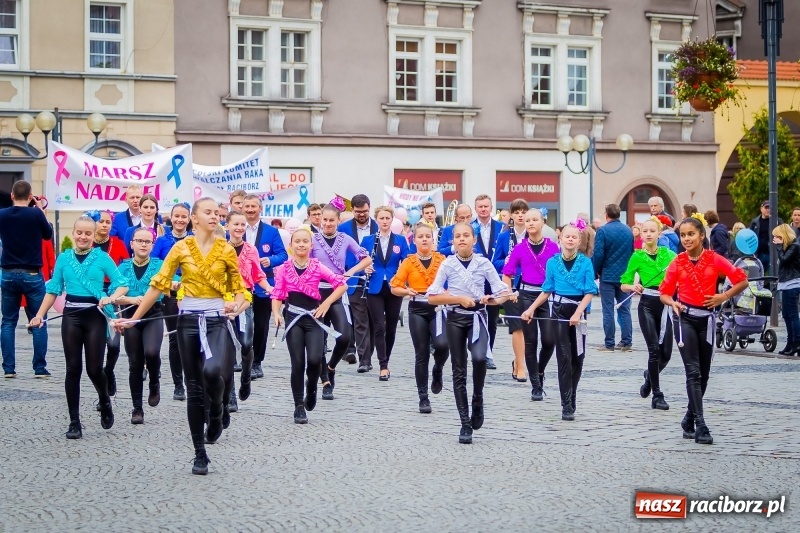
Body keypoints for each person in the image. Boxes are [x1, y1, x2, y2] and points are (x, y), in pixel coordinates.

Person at [115, 197, 248, 475]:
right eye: (207, 212)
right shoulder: (180, 248)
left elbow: (238, 287)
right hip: (187, 320)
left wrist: (234, 304)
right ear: (194, 218)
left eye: (216, 213)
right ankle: (200, 453)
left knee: (214, 373)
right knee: (194, 388)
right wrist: (134, 318)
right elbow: (158, 285)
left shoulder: (225, 249)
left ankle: (217, 412)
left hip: (215, 320)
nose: (214, 217)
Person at [30, 216, 129, 438]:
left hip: (94, 315)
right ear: (73, 234)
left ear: (94, 236)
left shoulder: (102, 258)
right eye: (79, 233)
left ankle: (104, 400)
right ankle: (74, 422)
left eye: (88, 233)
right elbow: (54, 288)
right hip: (71, 317)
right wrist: (39, 315)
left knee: (94, 370)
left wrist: (110, 297)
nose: (83, 237)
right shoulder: (63, 259)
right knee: (73, 369)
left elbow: (122, 284)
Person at [659, 216, 748, 445]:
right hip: (685, 318)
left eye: (691, 234)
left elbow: (741, 280)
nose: (687, 239)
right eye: (683, 235)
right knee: (694, 372)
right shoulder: (677, 262)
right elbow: (664, 292)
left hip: (707, 320)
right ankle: (701, 424)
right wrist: (672, 303)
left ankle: (688, 418)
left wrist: (723, 296)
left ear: (701, 236)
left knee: (705, 374)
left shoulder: (714, 259)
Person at [428, 223, 509, 444]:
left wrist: (493, 299)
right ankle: (464, 422)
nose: (462, 239)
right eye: (457, 236)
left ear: (474, 240)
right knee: (459, 370)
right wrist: (457, 299)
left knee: (480, 358)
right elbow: (432, 297)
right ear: (452, 241)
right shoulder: (447, 264)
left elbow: (502, 292)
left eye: (466, 235)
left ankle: (478, 398)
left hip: (478, 318)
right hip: (455, 318)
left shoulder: (484, 263)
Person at [271, 226, 347, 423]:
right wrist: (276, 313)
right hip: (293, 319)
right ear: (291, 245)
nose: (301, 244)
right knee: (298, 363)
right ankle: (298, 405)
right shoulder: (283, 269)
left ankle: (312, 387)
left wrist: (327, 303)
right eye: (297, 241)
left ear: (311, 245)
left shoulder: (317, 266)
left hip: (314, 319)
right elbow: (278, 294)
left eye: (305, 241)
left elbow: (341, 284)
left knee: (314, 360)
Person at [522, 221, 596, 421]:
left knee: (577, 358)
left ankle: (573, 395)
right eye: (567, 236)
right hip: (559, 312)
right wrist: (530, 309)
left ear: (579, 241)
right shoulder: (553, 262)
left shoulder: (586, 262)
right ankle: (566, 403)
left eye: (574, 237)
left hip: (578, 312)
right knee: (563, 356)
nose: (570, 239)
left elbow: (590, 292)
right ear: (560, 239)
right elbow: (547, 290)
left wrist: (578, 313)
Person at [311, 204, 372, 395]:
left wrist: (351, 272)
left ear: (338, 221)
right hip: (316, 294)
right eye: (325, 220)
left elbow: (366, 258)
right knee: (319, 340)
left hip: (337, 292)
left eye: (332, 220)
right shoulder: (312, 240)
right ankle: (324, 381)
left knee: (344, 336)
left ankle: (330, 367)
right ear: (320, 220)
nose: (328, 223)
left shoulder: (345, 239)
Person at [391, 222, 449, 414]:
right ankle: (423, 397)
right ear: (414, 239)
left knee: (442, 345)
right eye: (420, 236)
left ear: (433, 240)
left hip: (438, 307)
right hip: (417, 307)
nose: (424, 239)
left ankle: (438, 368)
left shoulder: (443, 260)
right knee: (421, 353)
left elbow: (453, 281)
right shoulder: (408, 262)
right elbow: (395, 287)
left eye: (428, 236)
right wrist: (406, 290)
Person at [502, 208, 559, 401]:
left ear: (543, 222)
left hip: (547, 295)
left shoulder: (552, 247)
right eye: (528, 221)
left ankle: (540, 371)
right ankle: (535, 384)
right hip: (526, 295)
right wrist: (509, 293)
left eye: (535, 220)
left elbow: (559, 271)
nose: (531, 223)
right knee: (531, 341)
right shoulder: (519, 248)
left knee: (550, 340)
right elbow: (507, 272)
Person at [620, 218, 676, 410]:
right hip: (647, 306)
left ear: (660, 234)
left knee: (666, 354)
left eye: (653, 231)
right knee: (653, 350)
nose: (649, 234)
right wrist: (633, 286)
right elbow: (624, 283)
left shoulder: (669, 255)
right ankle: (657, 395)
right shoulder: (636, 257)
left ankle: (649, 378)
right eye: (646, 231)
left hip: (666, 304)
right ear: (641, 235)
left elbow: (681, 274)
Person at [0, 181, 53, 378]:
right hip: (31, 273)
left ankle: (8, 368)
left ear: (12, 196)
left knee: (8, 321)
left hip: (7, 272)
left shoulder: (2, 214)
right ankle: (39, 368)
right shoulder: (35, 213)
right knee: (38, 319)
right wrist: (40, 210)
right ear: (30, 197)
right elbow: (48, 235)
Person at [113, 228, 164, 424]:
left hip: (154, 315)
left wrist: (176, 286)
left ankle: (154, 381)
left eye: (147, 241)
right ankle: (137, 408)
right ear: (132, 243)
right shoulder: (123, 268)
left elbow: (172, 282)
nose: (143, 244)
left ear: (152, 245)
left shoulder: (160, 265)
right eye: (139, 241)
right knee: (135, 363)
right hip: (129, 317)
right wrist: (131, 299)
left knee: (151, 352)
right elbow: (113, 293)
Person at [226, 210, 272, 411]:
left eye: (242, 225)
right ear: (227, 225)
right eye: (235, 224)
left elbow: (258, 275)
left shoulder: (251, 249)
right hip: (224, 303)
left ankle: (246, 376)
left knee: (246, 344)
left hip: (244, 302)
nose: (239, 228)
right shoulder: (220, 249)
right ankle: (230, 396)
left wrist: (270, 288)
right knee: (227, 350)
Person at [360, 206, 409, 381]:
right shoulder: (368, 240)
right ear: (377, 220)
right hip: (374, 287)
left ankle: (386, 358)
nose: (385, 221)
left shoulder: (401, 240)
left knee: (391, 327)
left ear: (392, 219)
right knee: (379, 326)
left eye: (388, 218)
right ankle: (383, 365)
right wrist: (365, 267)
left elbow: (407, 261)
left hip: (394, 287)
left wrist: (401, 277)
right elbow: (359, 260)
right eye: (381, 218)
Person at [243, 194, 288, 380]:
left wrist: (270, 260)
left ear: (260, 209)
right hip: (241, 285)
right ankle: (242, 358)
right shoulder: (235, 229)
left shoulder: (271, 231)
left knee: (261, 325)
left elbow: (283, 255)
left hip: (264, 286)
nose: (250, 210)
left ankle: (257, 362)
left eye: (254, 206)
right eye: (247, 206)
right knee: (243, 325)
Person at [152, 202, 192, 400]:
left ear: (189, 218)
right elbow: (155, 267)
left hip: (193, 293)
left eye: (184, 216)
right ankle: (178, 384)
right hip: (171, 294)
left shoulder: (194, 240)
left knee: (192, 337)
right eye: (177, 216)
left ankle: (193, 379)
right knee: (176, 338)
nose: (180, 220)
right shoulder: (161, 241)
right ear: (171, 217)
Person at [88, 209, 130, 397]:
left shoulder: (118, 244)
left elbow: (126, 269)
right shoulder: (86, 244)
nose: (105, 225)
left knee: (113, 345)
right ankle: (101, 390)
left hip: (112, 296)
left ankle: (109, 370)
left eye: (108, 222)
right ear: (94, 223)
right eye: (101, 221)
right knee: (98, 345)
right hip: (92, 297)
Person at [491, 198, 529, 382]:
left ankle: (517, 360)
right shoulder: (505, 236)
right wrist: (506, 262)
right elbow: (495, 261)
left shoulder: (533, 235)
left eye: (523, 212)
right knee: (517, 326)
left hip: (530, 286)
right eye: (517, 212)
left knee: (529, 328)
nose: (520, 215)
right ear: (512, 215)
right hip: (509, 285)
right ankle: (521, 366)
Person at [339, 194, 378, 370]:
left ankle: (368, 354)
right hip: (353, 278)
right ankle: (364, 360)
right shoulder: (343, 228)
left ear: (369, 208)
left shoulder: (379, 226)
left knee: (374, 321)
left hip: (375, 280)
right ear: (352, 210)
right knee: (360, 320)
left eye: (365, 211)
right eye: (358, 212)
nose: (362, 214)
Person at [592, 204, 634, 352]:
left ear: (606, 214)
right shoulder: (628, 230)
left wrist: (595, 271)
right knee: (625, 309)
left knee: (608, 310)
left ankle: (609, 343)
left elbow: (598, 254)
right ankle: (626, 342)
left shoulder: (602, 230)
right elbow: (631, 252)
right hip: (624, 277)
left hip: (608, 276)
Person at [472, 194, 505, 369]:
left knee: (492, 320)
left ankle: (488, 353)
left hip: (493, 280)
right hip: (473, 280)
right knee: (474, 317)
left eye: (486, 206)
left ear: (491, 208)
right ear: (476, 208)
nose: (483, 209)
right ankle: (477, 351)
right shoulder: (469, 228)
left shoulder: (501, 228)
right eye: (480, 207)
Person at [772, 224, 800, 355]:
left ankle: (797, 343)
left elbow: (784, 260)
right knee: (786, 315)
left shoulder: (794, 246)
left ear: (783, 236)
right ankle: (790, 344)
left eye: (777, 236)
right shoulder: (789, 247)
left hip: (792, 283)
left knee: (792, 314)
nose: (775, 239)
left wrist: (779, 247)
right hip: (786, 283)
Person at [750, 201, 783, 274]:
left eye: (770, 208)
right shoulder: (755, 222)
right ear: (761, 209)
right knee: (758, 276)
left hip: (773, 254)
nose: (768, 210)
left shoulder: (777, 221)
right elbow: (750, 237)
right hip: (759, 254)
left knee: (774, 276)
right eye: (766, 207)